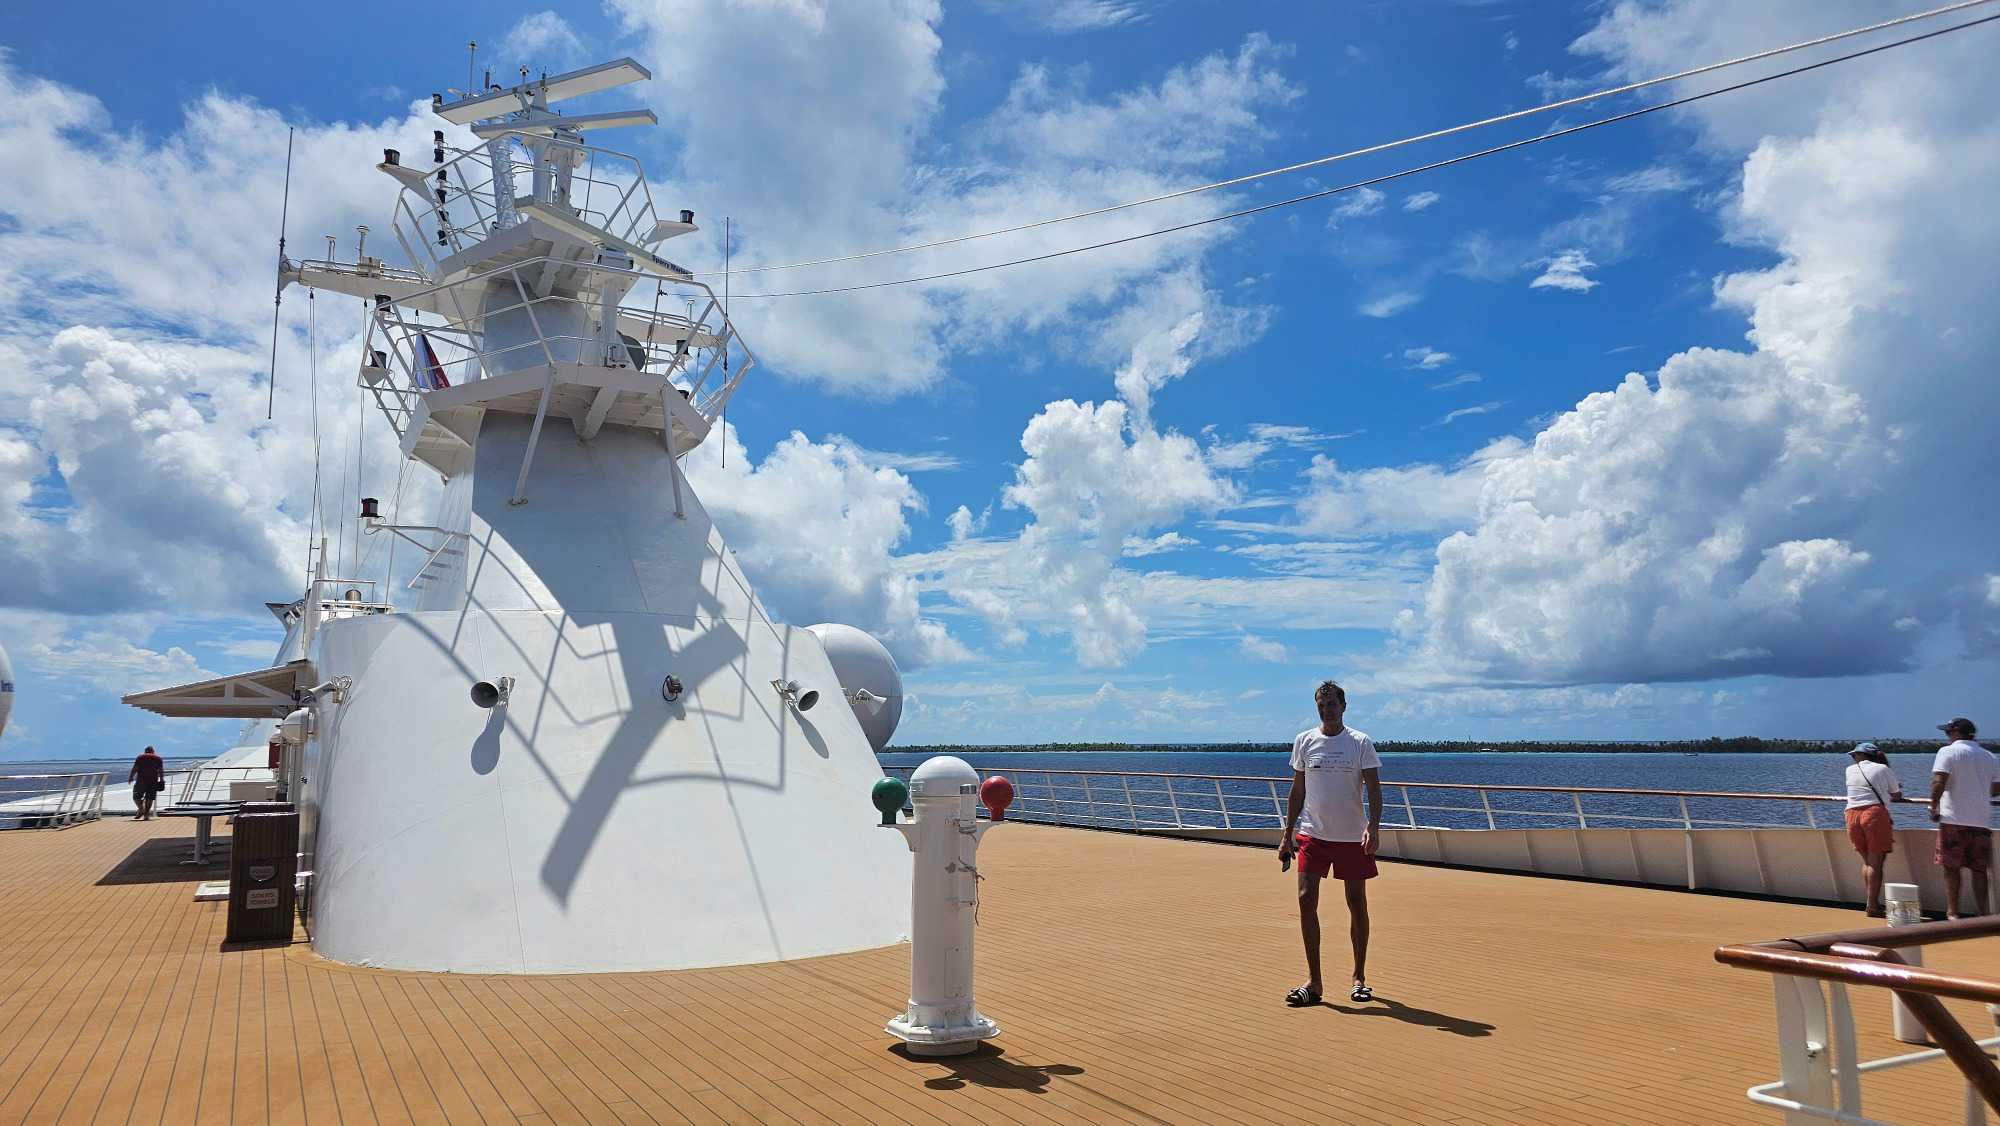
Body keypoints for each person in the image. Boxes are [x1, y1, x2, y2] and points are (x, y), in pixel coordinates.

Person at [1277, 679, 1382, 1007]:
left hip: (1351, 836)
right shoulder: (1304, 741)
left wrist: (1373, 827)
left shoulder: (1360, 742)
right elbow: (1297, 790)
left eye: (1332, 704)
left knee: (1356, 902)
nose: (1327, 710)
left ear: (1344, 706)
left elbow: (1374, 789)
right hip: (1313, 834)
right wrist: (1287, 833)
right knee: (1305, 898)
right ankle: (1314, 982)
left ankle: (1359, 978)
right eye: (1321, 706)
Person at [1928, 718, 1999, 919]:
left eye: (1948, 733)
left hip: (1953, 819)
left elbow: (1938, 781)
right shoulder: (1989, 756)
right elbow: (1996, 788)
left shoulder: (1947, 752)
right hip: (1980, 821)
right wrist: (1977, 791)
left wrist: (1933, 806)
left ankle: (1953, 913)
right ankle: (1982, 913)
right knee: (1979, 870)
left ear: (1955, 733)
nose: (1947, 737)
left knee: (1951, 869)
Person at [1843, 742, 1902, 917]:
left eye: (1854, 755)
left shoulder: (1849, 770)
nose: (1853, 758)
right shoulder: (1883, 769)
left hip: (1852, 815)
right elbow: (1896, 794)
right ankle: (1872, 906)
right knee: (1876, 863)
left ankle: (1871, 903)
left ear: (1862, 755)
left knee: (1867, 862)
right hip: (1873, 814)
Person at [129, 745, 166, 821]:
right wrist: (162, 779)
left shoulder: (140, 757)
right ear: (153, 751)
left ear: (145, 751)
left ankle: (141, 809)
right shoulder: (158, 758)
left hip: (141, 781)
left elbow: (135, 768)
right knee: (150, 798)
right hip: (153, 781)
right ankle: (146, 815)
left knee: (136, 797)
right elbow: (160, 770)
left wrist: (131, 777)